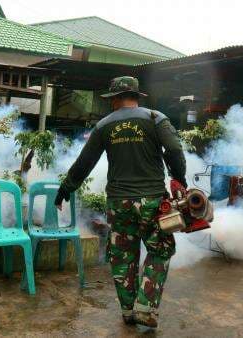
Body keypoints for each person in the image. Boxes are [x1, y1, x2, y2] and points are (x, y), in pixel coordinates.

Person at [54, 76, 187, 329]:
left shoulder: (104, 125)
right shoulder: (156, 118)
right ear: (136, 96)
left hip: (119, 203)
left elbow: (84, 163)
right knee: (160, 250)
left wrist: (65, 190)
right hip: (152, 201)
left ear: (115, 99)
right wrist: (178, 178)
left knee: (122, 256)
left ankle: (128, 311)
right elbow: (175, 150)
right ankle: (146, 308)